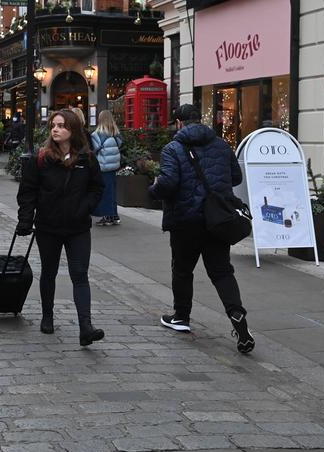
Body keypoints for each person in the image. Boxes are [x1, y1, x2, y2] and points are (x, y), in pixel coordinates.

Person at [148, 104, 255, 354]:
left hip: (186, 221)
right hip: (217, 220)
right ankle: (237, 316)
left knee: (183, 269)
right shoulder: (220, 144)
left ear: (179, 123)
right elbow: (235, 177)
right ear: (200, 120)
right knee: (221, 272)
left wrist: (153, 189)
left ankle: (181, 317)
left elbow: (169, 183)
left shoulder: (172, 148)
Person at [17, 109, 105, 346]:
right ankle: (47, 315)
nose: (55, 129)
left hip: (78, 227)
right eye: (53, 125)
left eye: (62, 126)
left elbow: (97, 188)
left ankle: (85, 326)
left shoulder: (87, 159)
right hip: (48, 226)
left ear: (73, 130)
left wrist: (85, 207)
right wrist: (25, 220)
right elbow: (28, 191)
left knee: (80, 274)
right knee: (49, 272)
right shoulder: (42, 158)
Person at [91, 111, 123, 226]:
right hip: (113, 167)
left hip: (103, 167)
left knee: (105, 193)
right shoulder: (116, 133)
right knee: (112, 191)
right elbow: (119, 145)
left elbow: (94, 151)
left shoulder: (97, 134)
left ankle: (107, 216)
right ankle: (114, 216)